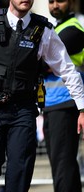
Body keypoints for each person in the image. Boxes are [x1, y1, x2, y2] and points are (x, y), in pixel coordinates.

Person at [0, 0, 84, 191]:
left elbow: (68, 70)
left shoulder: (44, 30)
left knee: (19, 176)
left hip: (23, 111)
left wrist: (81, 107)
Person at [42, 0, 84, 191]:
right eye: (51, 1)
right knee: (62, 166)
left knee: (63, 167)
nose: (55, 5)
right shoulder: (56, 29)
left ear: (72, 3)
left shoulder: (73, 30)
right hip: (52, 103)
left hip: (66, 103)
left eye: (60, 0)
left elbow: (41, 63)